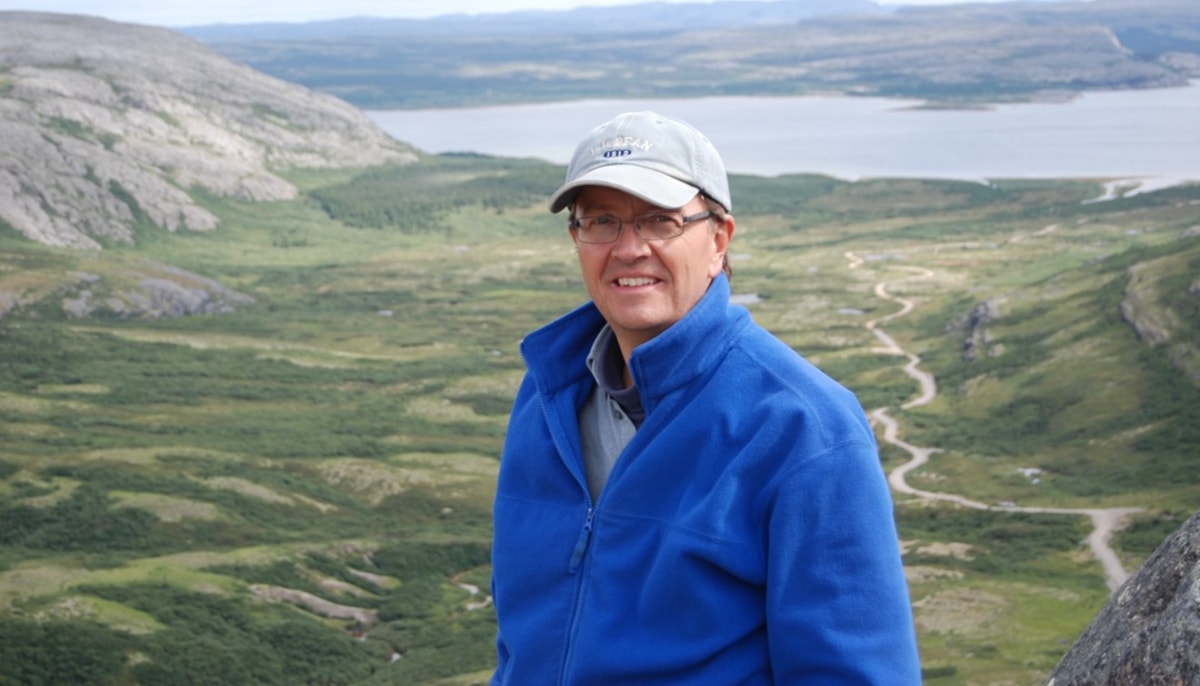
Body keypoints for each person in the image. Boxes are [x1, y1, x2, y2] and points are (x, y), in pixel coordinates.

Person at [489, 111, 921, 684]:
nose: (629, 248)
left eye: (660, 221)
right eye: (601, 221)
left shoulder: (804, 428)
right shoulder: (548, 394)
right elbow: (521, 641)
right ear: (577, 239)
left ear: (719, 240)